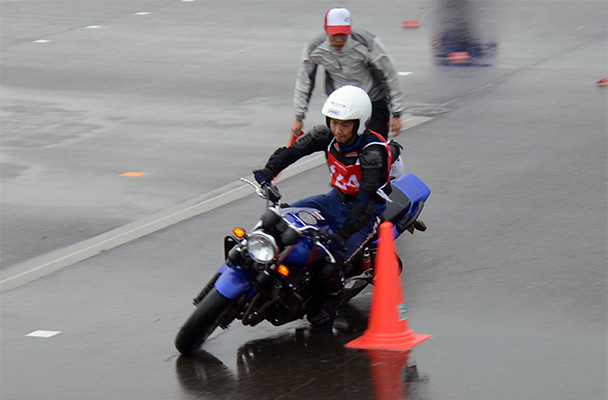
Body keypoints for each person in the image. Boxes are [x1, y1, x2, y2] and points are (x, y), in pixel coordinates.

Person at [254, 85, 393, 326]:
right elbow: (291, 152)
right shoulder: (325, 135)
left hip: (366, 213)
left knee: (329, 264)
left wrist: (343, 233)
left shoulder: (373, 153)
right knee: (277, 220)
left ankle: (331, 303)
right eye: (334, 122)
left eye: (345, 125)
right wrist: (268, 172)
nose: (337, 130)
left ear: (359, 124)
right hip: (332, 200)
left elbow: (366, 198)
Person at [291, 7, 406, 141]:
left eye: (343, 34)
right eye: (334, 35)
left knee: (374, 154)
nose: (339, 40)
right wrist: (298, 117)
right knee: (342, 155)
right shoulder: (315, 48)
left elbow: (389, 75)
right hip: (339, 107)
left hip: (371, 103)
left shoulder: (367, 43)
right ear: (326, 30)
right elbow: (304, 81)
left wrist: (396, 114)